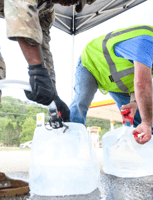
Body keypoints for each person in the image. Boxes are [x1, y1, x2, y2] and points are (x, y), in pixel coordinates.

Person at [70, 20, 153, 171]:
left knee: (139, 114)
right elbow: (142, 83)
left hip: (116, 81)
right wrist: (147, 122)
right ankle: (71, 152)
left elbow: (136, 83)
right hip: (92, 64)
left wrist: (134, 102)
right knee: (81, 102)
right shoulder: (146, 39)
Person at [0, 0, 95, 197]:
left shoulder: (47, 10)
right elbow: (19, 5)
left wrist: (52, 93)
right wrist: (36, 69)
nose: (73, 3)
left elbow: (42, 45)